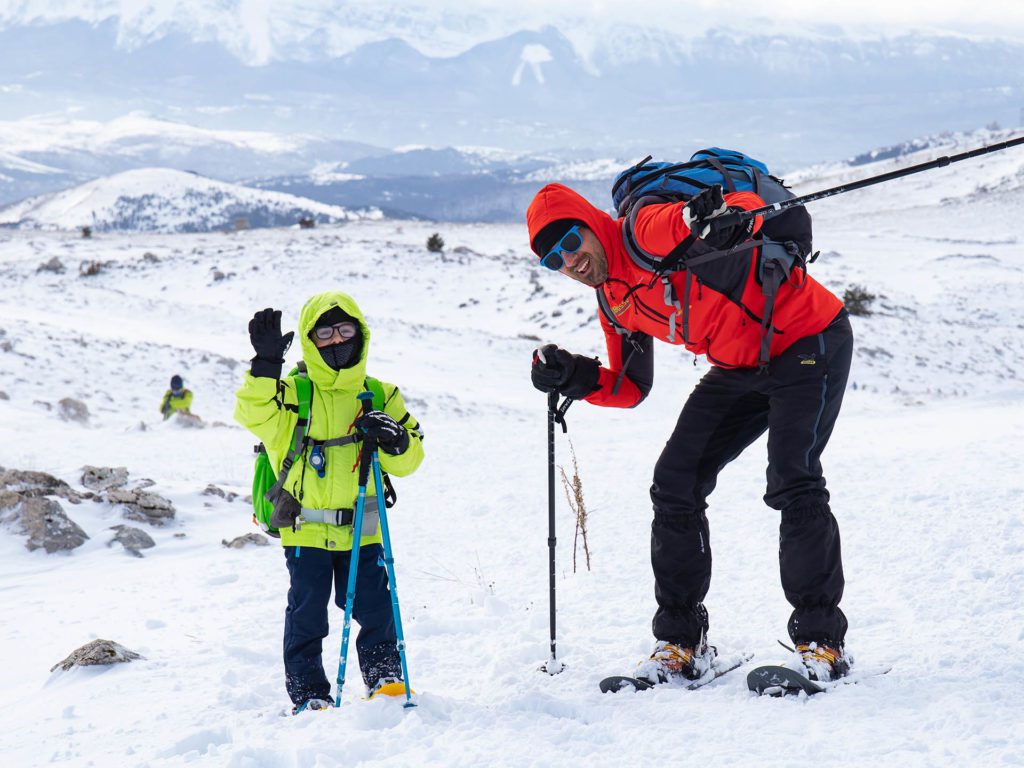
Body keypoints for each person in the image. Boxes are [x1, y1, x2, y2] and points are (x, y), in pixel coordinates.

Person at [526, 179, 853, 685]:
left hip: (807, 338)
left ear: (591, 224)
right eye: (553, 260)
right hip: (739, 365)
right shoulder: (614, 300)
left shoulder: (641, 232)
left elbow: (723, 209)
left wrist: (715, 219)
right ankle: (682, 645)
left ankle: (821, 645)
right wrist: (573, 374)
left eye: (571, 242)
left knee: (793, 475)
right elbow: (631, 386)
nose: (569, 261)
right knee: (675, 480)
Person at [234, 291, 424, 714]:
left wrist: (396, 439)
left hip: (364, 529)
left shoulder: (381, 394)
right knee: (307, 616)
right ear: (310, 340)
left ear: (361, 333)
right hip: (306, 530)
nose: (337, 340)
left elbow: (412, 459)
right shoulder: (292, 394)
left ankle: (384, 677)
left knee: (376, 608)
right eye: (325, 333)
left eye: (345, 330)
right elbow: (252, 413)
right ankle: (309, 693)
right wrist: (265, 366)